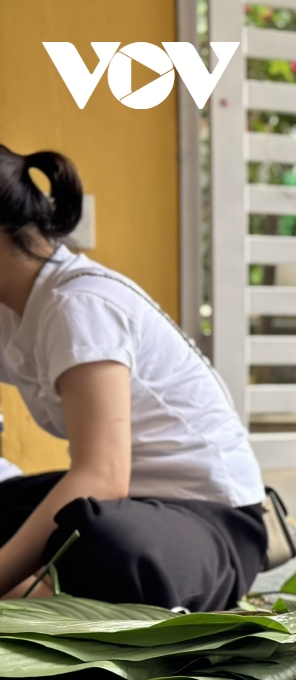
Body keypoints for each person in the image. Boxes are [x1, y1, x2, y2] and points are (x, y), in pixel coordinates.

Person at [0, 146, 267, 610]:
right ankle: (39, 591)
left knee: (105, 543)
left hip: (207, 520)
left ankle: (38, 595)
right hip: (128, 502)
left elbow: (101, 478)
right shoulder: (16, 308)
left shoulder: (79, 304)